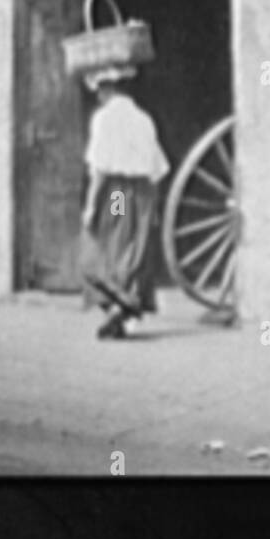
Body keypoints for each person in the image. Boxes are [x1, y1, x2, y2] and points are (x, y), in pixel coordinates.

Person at [81, 66, 170, 339]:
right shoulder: (143, 119)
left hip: (119, 192)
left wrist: (92, 205)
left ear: (107, 89)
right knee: (135, 247)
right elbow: (157, 166)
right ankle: (124, 307)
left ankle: (118, 307)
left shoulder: (104, 119)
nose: (98, 97)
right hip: (143, 193)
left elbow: (100, 169)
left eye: (99, 91)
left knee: (115, 240)